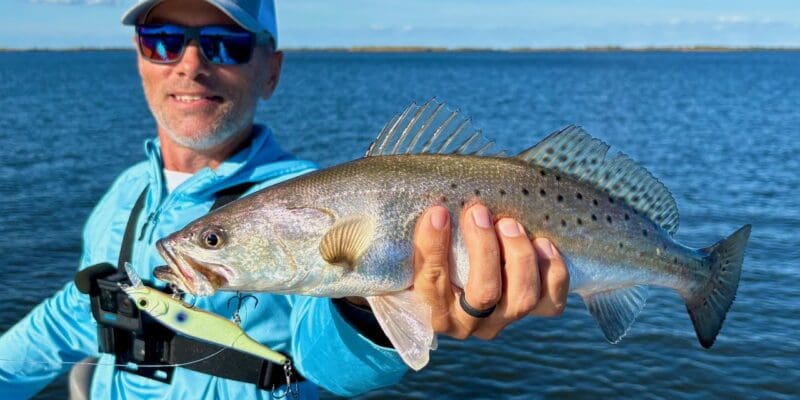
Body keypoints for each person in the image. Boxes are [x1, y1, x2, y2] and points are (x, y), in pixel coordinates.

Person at [0, 0, 569, 398]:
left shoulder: (301, 194)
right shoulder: (126, 194)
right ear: (140, 58)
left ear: (270, 71)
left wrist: (363, 305)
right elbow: (73, 317)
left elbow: (329, 361)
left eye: (226, 44)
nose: (191, 65)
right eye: (164, 40)